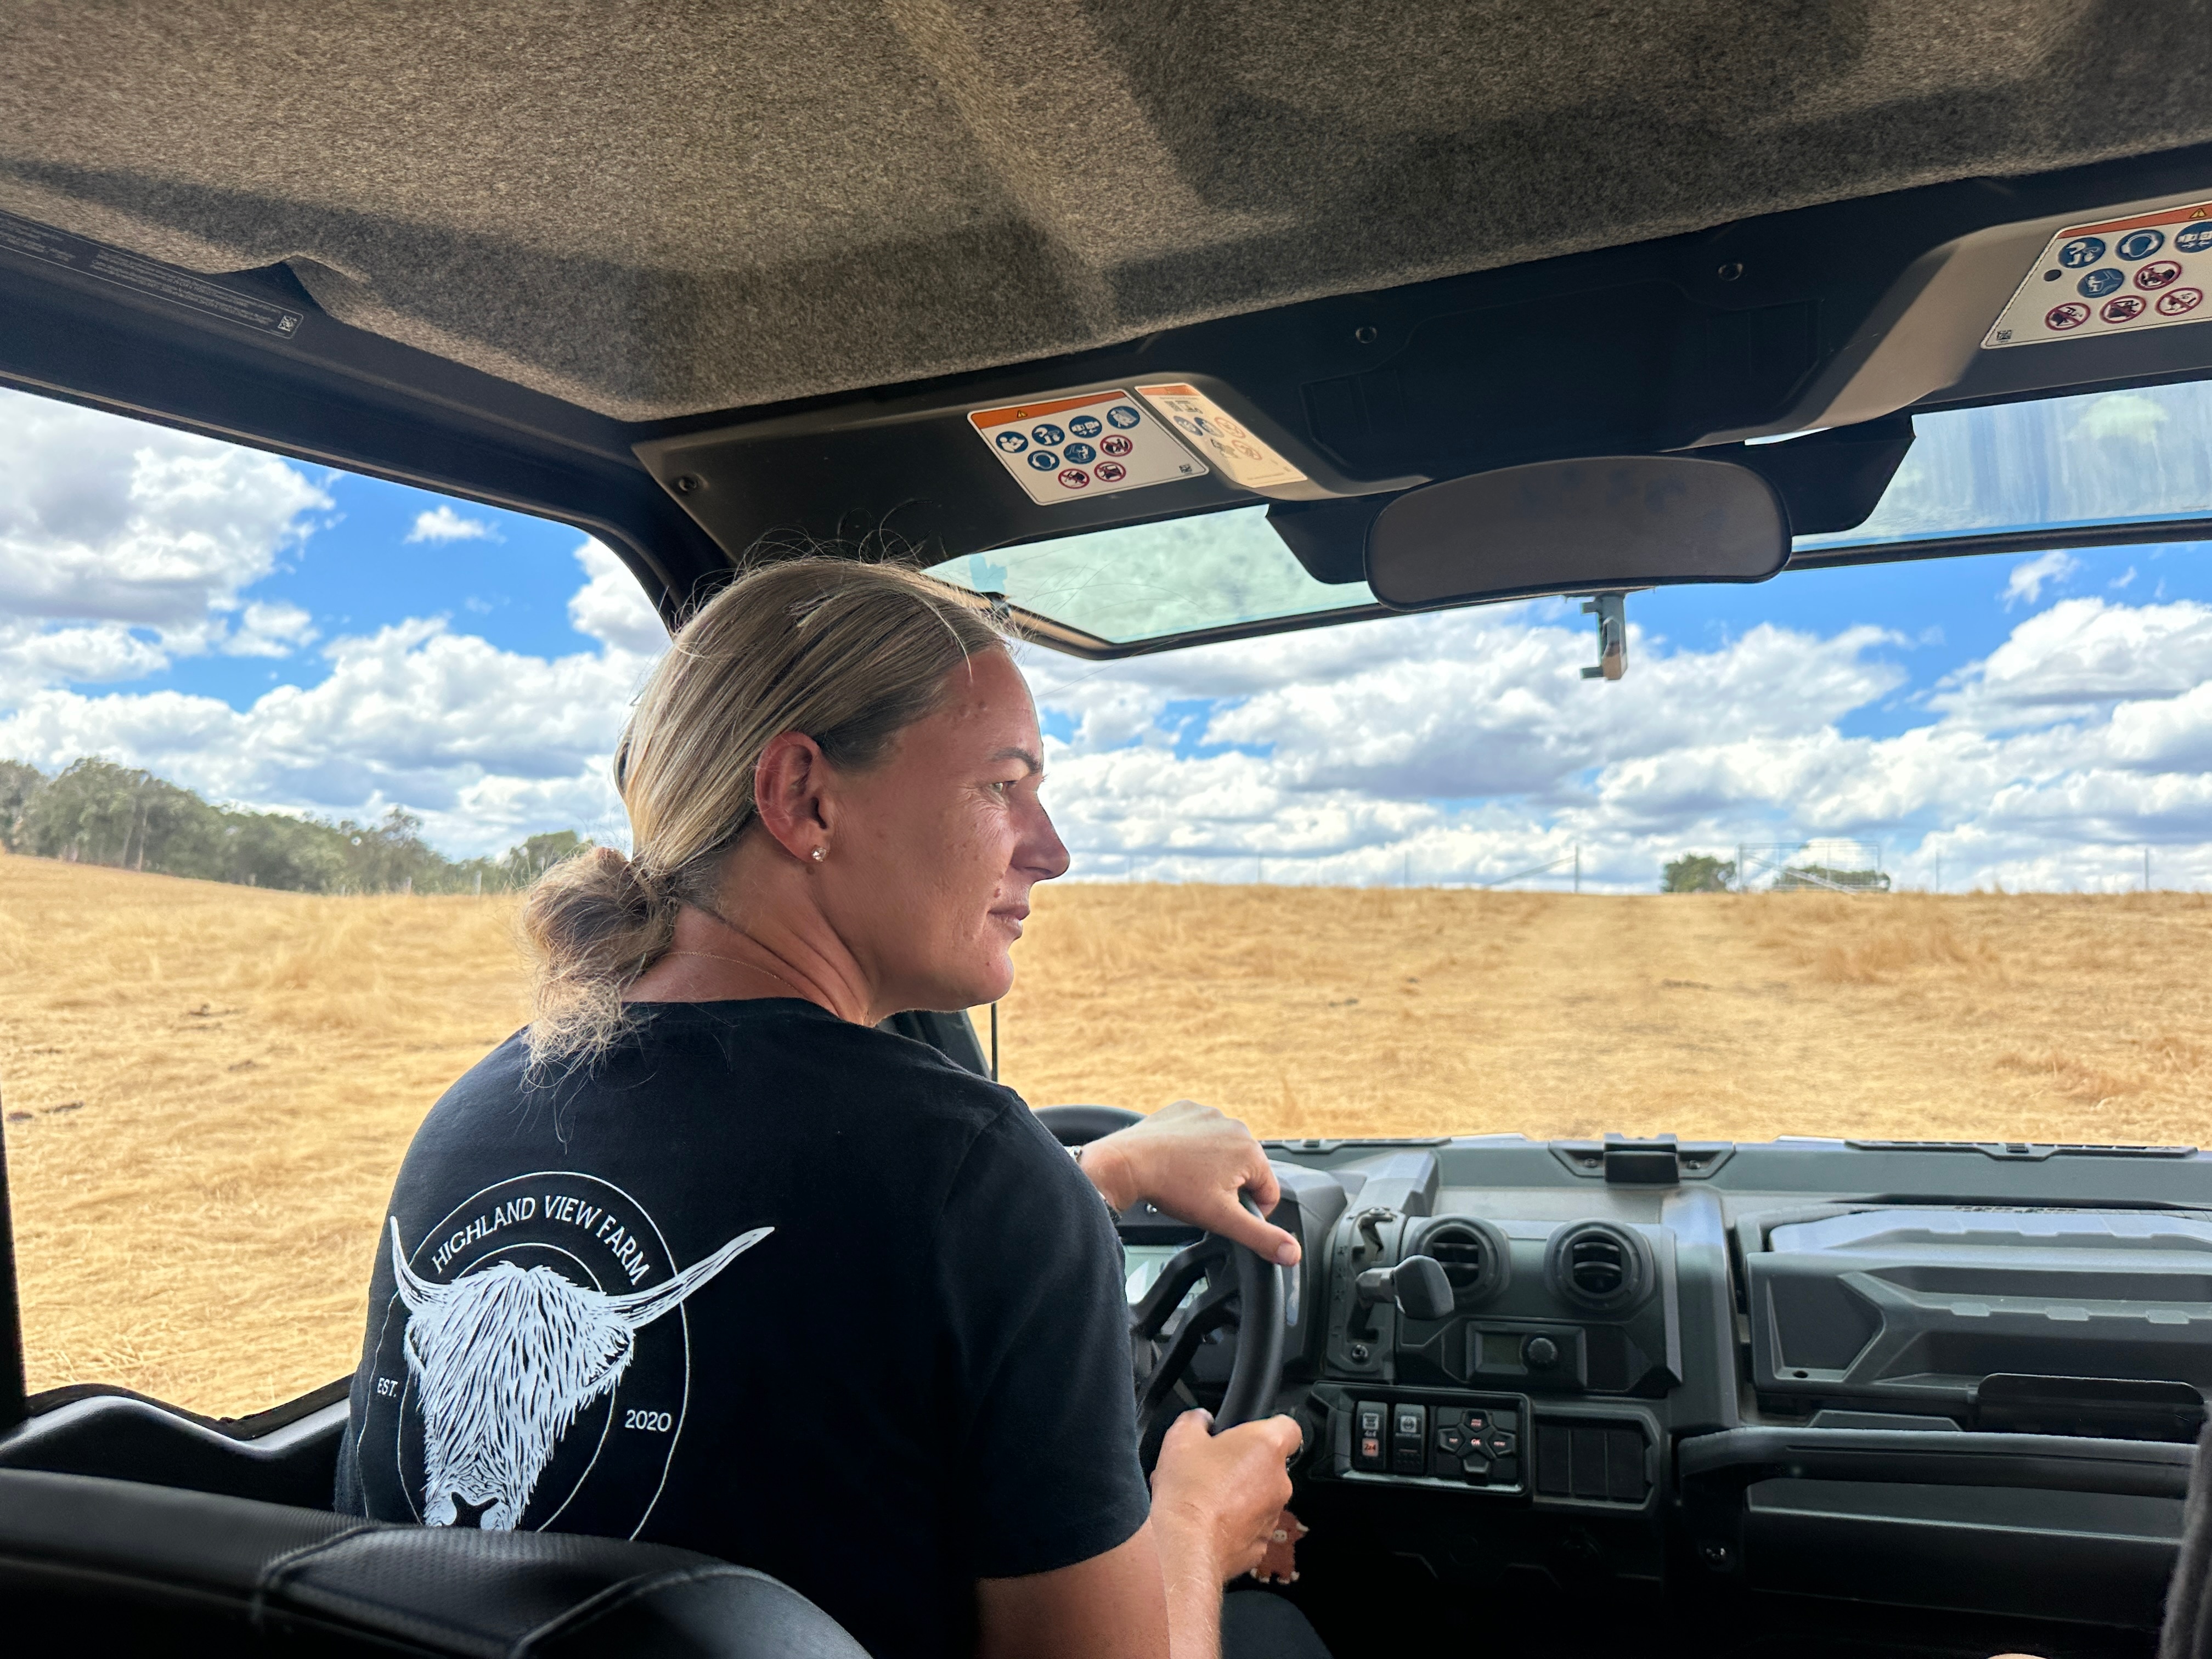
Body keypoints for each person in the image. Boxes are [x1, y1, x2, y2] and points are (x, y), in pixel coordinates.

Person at [334, 557, 1330, 1659]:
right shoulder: (976, 1176)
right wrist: (1195, 1520)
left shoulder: (472, 1118)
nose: (1050, 850)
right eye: (1004, 785)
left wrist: (1103, 1175)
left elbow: (801, 1264)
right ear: (807, 798)